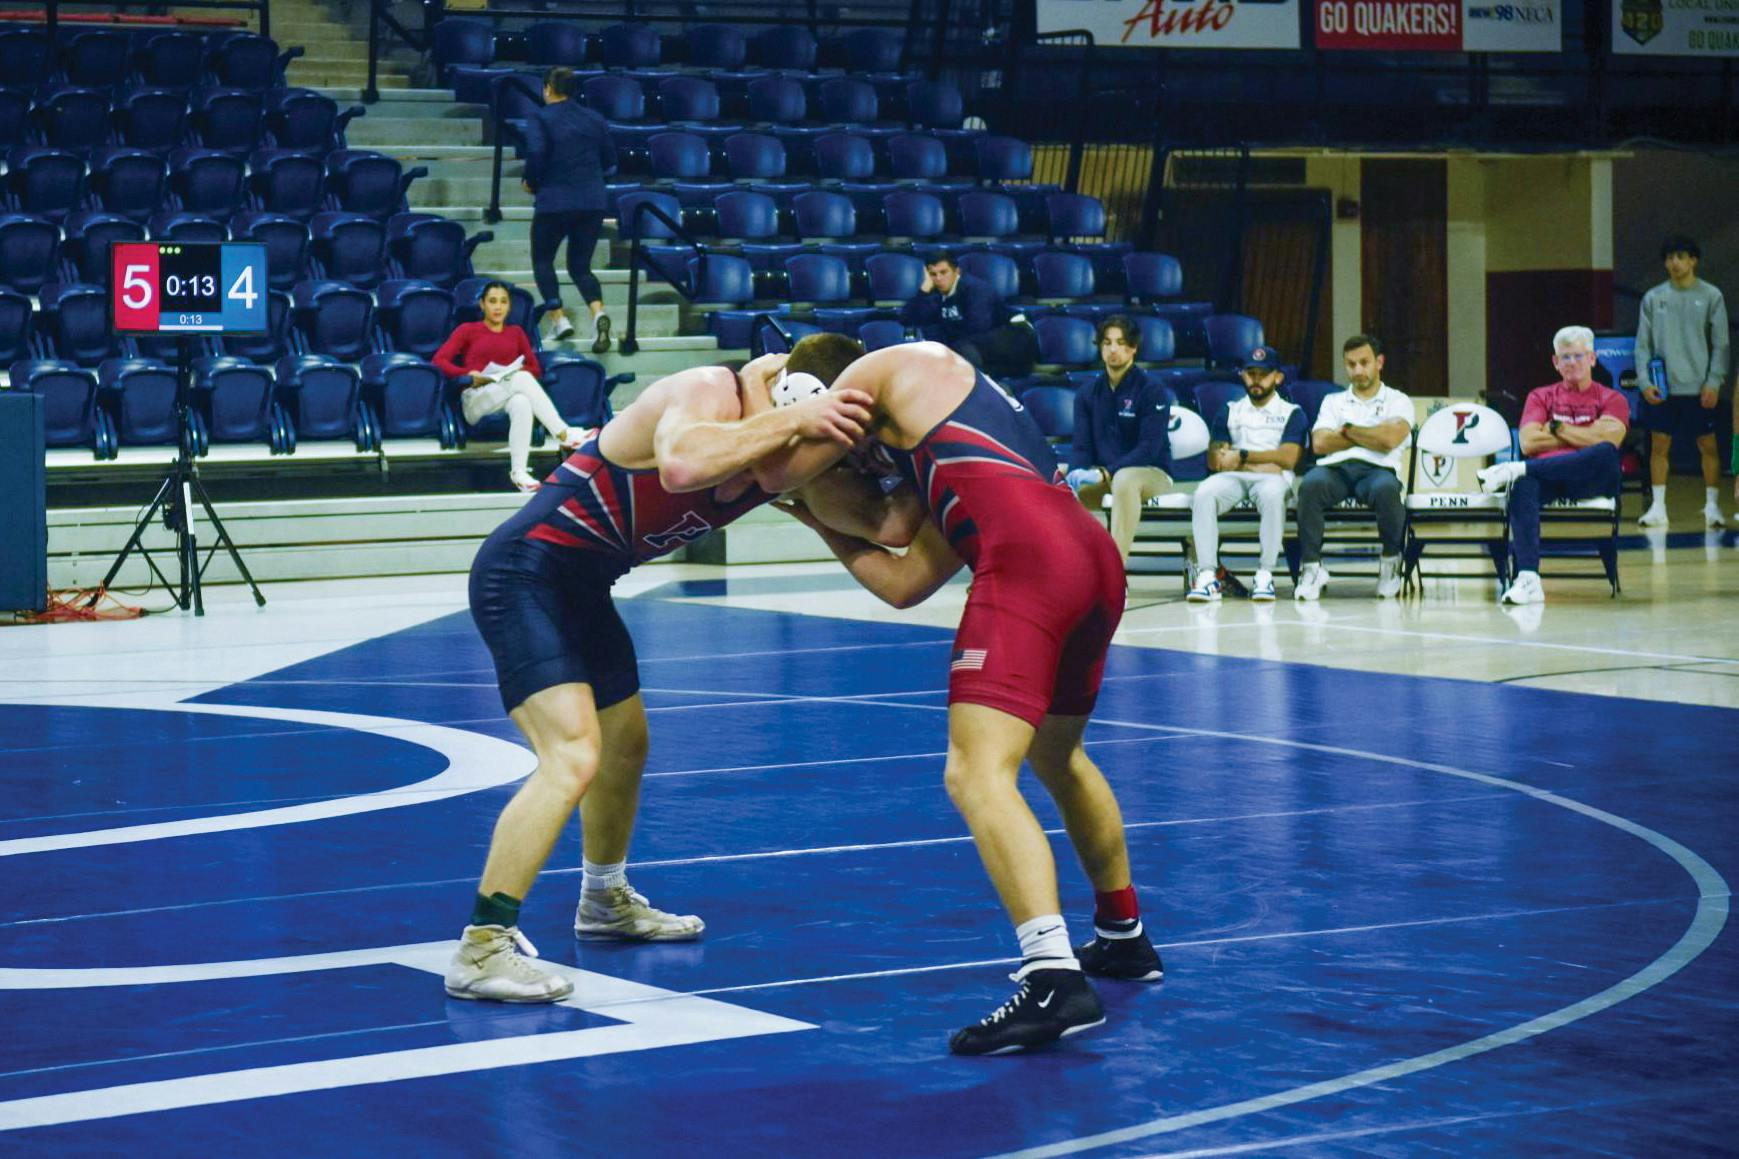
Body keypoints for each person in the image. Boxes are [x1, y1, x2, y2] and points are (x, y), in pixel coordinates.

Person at [445, 344, 880, 1003]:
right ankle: (482, 947)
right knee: (571, 755)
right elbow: (681, 465)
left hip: (583, 584)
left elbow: (886, 523)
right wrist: (796, 416)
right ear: (799, 393)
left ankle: (603, 900)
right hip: (523, 574)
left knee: (626, 746)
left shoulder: (780, 450)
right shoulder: (707, 390)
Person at [777, 339, 1162, 1057]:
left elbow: (789, 453)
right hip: (1084, 552)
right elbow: (898, 569)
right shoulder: (949, 448)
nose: (855, 457)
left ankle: (1053, 978)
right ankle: (1122, 934)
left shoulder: (890, 364)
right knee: (1057, 754)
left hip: (1029, 562)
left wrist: (755, 433)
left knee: (974, 770)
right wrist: (815, 517)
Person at [1477, 326, 1627, 605]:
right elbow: (1528, 442)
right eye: (1565, 357)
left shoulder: (1611, 399)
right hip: (1550, 478)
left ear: (1593, 358)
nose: (1572, 363)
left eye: (1579, 356)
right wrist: (1585, 435)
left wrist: (1556, 428)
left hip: (1592, 478)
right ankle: (1529, 579)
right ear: (1555, 363)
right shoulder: (1540, 396)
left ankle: (1517, 469)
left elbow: (1609, 439)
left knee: (1605, 453)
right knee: (1522, 487)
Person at [1294, 335, 1413, 601]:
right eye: (1351, 364)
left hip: (1377, 470)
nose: (1357, 370)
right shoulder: (1332, 401)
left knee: (1387, 490)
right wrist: (1372, 433)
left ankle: (1390, 562)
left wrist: (1347, 430)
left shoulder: (1398, 400)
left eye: (1364, 363)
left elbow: (1390, 440)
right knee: (1310, 485)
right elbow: (1320, 443)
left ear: (1379, 362)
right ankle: (1312, 568)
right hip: (1335, 470)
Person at [433, 280, 582, 493]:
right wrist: (468, 375)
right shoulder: (468, 330)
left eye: (503, 302)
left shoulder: (517, 332)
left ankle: (519, 473)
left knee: (521, 402)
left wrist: (508, 374)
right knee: (519, 380)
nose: (498, 307)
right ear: (482, 305)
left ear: (509, 306)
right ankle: (563, 433)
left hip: (505, 392)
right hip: (475, 398)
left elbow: (534, 368)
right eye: (492, 301)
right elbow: (439, 361)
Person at [1187, 345, 1307, 603]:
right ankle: (1207, 574)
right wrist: (1263, 462)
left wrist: (1241, 457)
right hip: (1235, 479)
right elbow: (1217, 460)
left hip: (1273, 480)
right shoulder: (1230, 409)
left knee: (1274, 494)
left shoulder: (1291, 413)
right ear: (1242, 375)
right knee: (1204, 492)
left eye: (1263, 373)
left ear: (1278, 377)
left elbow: (1287, 460)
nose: (1255, 379)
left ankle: (1265, 573)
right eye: (1250, 372)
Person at [1634, 234, 1729, 529]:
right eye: (1669, 257)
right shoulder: (1653, 297)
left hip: (1699, 387)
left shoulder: (1711, 295)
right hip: (1662, 387)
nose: (1674, 263)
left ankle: (1712, 506)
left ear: (1693, 260)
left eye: (1680, 256)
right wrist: (1643, 381)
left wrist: (1713, 382)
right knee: (1659, 445)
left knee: (1708, 446)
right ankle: (1658, 508)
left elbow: (1721, 344)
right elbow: (1642, 345)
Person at [522, 66, 616, 353]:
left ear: (548, 88)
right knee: (580, 266)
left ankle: (559, 319)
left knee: (542, 260)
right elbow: (610, 160)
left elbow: (537, 153)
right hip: (592, 201)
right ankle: (598, 313)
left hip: (555, 200)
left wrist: (531, 181)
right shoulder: (594, 118)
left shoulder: (541, 117)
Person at [1065, 315, 1172, 565]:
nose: (1113, 349)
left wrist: (1106, 472)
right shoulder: (1087, 393)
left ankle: (1115, 570)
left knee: (1124, 479)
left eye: (1121, 343)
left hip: (1150, 473)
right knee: (1055, 478)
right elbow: (1082, 446)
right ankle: (1064, 566)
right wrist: (1072, 475)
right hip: (1106, 475)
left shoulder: (1151, 389)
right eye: (1107, 343)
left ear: (1133, 348)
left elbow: (1148, 448)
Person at [897, 251, 1034, 379]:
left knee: (960, 346)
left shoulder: (976, 289)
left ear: (957, 271)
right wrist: (924, 290)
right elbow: (906, 319)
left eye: (943, 272)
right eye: (933, 274)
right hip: (979, 349)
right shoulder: (935, 292)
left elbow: (978, 326)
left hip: (1012, 342)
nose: (939, 278)